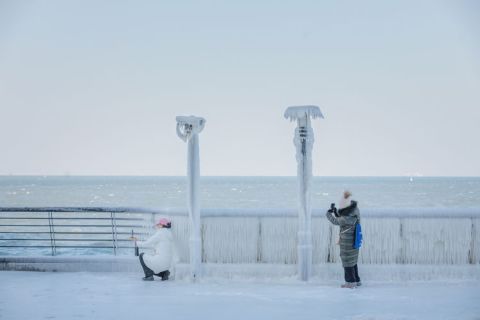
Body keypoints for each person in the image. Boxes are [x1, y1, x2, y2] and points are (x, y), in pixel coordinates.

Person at [326, 191, 361, 288]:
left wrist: (329, 213)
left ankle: (350, 283)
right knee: (353, 262)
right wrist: (336, 212)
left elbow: (335, 221)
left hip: (347, 244)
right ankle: (357, 280)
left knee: (347, 263)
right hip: (354, 242)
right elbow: (344, 218)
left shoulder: (346, 217)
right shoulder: (355, 211)